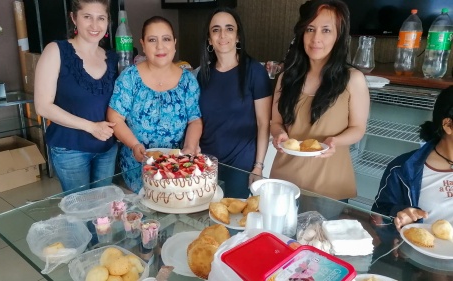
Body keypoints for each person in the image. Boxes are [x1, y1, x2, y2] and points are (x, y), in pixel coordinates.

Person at [270, 0, 370, 201]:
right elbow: (276, 122)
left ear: (338, 36)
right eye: (310, 29)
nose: (316, 38)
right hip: (285, 182)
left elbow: (358, 128)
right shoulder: (286, 77)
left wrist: (335, 141)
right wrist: (279, 134)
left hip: (330, 185)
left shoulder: (353, 79)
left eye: (326, 30)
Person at [107, 16, 202, 194]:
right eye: (152, 40)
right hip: (137, 170)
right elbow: (115, 118)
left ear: (174, 43)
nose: (160, 46)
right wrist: (134, 145)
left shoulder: (188, 81)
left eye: (166, 39)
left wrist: (189, 148)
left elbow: (194, 120)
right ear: (143, 44)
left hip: (176, 170)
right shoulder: (130, 78)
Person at [34, 0, 119, 192]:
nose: (95, 25)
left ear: (108, 22)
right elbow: (43, 106)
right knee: (80, 209)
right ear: (74, 18)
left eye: (101, 18)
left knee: (102, 210)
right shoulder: (56, 51)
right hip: (70, 149)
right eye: (87, 17)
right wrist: (90, 127)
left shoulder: (112, 58)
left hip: (107, 148)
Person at [197, 7, 272, 198]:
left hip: (240, 166)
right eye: (216, 29)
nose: (223, 35)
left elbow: (263, 124)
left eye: (229, 29)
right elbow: (198, 119)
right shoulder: (203, 74)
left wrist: (258, 166)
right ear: (209, 39)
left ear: (238, 36)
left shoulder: (255, 72)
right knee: (202, 219)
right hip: (206, 163)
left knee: (231, 223)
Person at [372, 86, 453, 230]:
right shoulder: (402, 169)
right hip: (422, 250)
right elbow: (378, 217)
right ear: (448, 125)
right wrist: (399, 215)